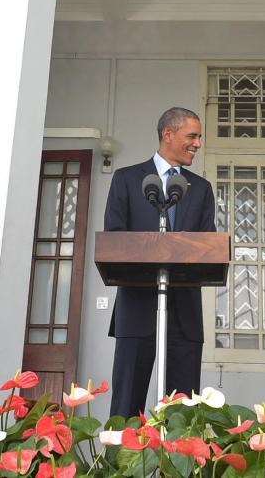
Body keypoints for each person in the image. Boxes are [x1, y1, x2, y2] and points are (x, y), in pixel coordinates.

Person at [105, 107, 216, 420]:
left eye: (199, 137)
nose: (197, 143)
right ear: (168, 134)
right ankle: (120, 468)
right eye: (192, 136)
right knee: (126, 406)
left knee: (182, 415)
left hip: (185, 312)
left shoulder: (201, 188)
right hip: (136, 308)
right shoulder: (126, 180)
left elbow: (208, 246)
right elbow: (114, 239)